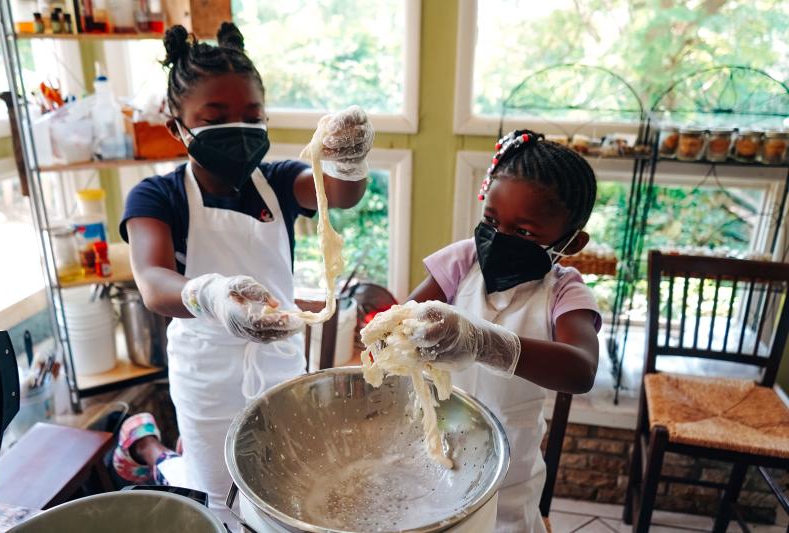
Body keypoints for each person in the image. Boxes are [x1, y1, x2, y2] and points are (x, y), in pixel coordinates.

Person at [116, 22, 374, 516]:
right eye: (216, 116)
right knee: (217, 498)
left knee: (289, 487)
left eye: (251, 115)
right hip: (206, 374)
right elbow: (152, 282)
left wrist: (348, 158)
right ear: (178, 125)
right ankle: (149, 453)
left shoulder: (278, 183)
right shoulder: (157, 195)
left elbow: (340, 194)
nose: (237, 126)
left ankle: (148, 449)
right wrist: (212, 295)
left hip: (280, 365)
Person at [406, 130, 601, 533]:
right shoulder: (462, 262)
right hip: (430, 444)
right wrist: (404, 331)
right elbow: (406, 319)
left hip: (511, 468)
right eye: (491, 221)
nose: (500, 238)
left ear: (572, 241)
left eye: (525, 232)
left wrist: (487, 344)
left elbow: (581, 370)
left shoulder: (564, 291)